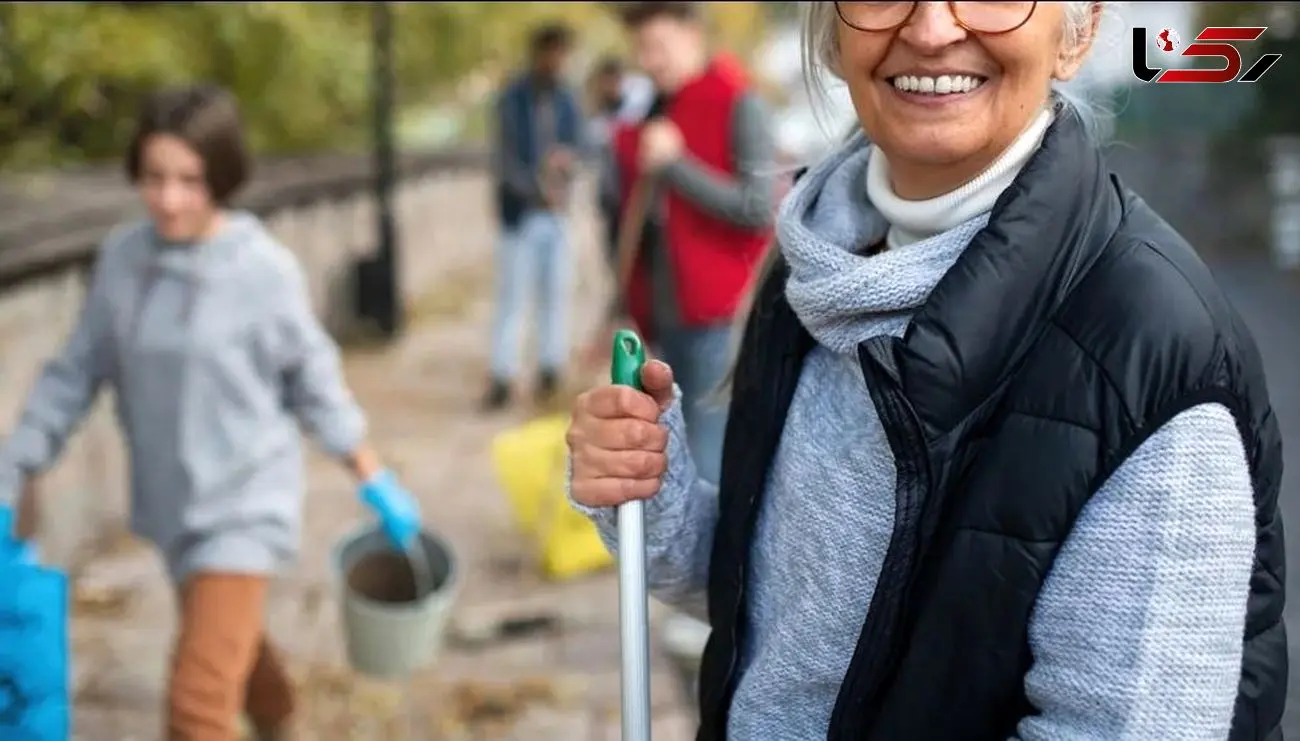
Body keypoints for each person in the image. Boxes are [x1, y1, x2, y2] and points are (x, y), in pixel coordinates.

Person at [568, 2, 1286, 740]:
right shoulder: (813, 269)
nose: (932, 30)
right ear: (835, 35)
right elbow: (787, 604)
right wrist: (650, 492)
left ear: (1078, 35)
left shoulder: (1146, 349)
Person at [0, 84, 421, 741]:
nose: (169, 199)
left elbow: (313, 380)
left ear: (221, 178)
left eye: (190, 181)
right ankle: (281, 720)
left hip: (245, 504)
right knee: (228, 639)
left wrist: (372, 475)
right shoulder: (123, 261)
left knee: (195, 708)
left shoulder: (262, 271)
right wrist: (17, 461)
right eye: (155, 177)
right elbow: (74, 372)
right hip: (173, 506)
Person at [610, 1, 777, 486]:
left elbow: (757, 208)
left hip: (720, 315)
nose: (648, 60)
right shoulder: (660, 105)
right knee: (674, 441)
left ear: (692, 34)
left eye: (657, 46)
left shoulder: (741, 101)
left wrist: (675, 165)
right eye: (641, 49)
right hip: (667, 310)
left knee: (705, 456)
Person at [484, 22, 585, 412]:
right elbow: (505, 160)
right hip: (521, 215)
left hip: (556, 215)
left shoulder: (567, 101)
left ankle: (550, 368)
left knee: (555, 295)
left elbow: (580, 147)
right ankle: (503, 373)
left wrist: (567, 166)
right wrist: (535, 189)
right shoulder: (513, 99)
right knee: (513, 297)